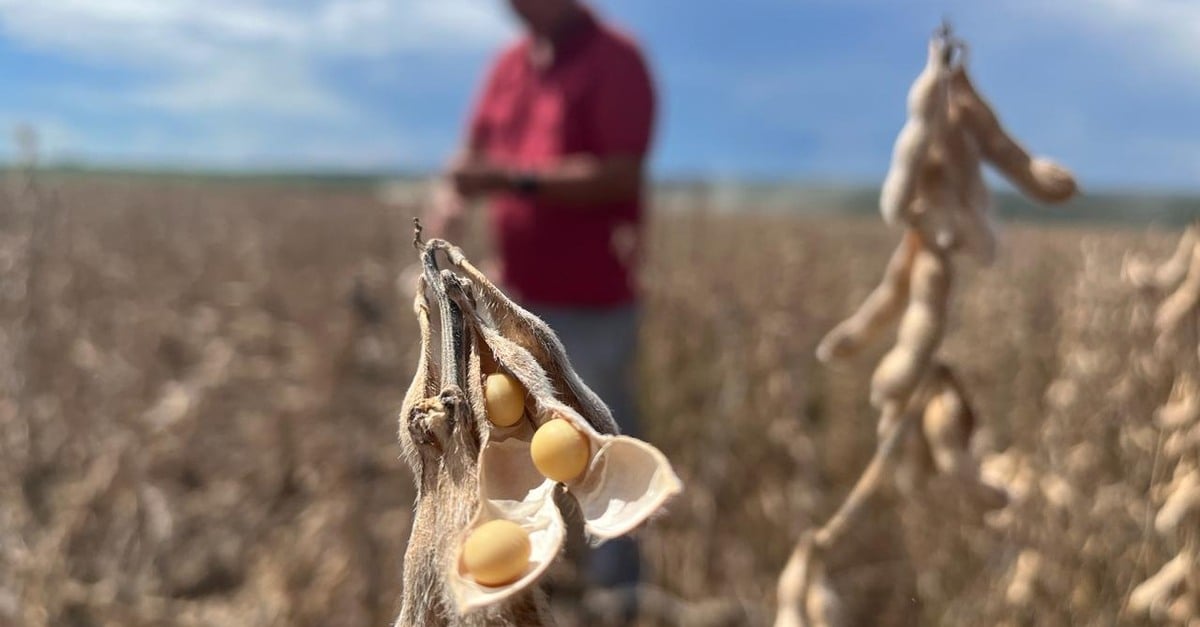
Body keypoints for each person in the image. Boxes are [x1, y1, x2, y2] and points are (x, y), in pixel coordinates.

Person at [423, 0, 656, 614]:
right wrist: (448, 204)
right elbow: (466, 159)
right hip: (511, 304)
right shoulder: (508, 66)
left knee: (602, 448)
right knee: (508, 447)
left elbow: (620, 176)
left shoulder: (616, 60)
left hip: (592, 302)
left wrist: (510, 180)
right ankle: (556, 581)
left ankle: (618, 597)